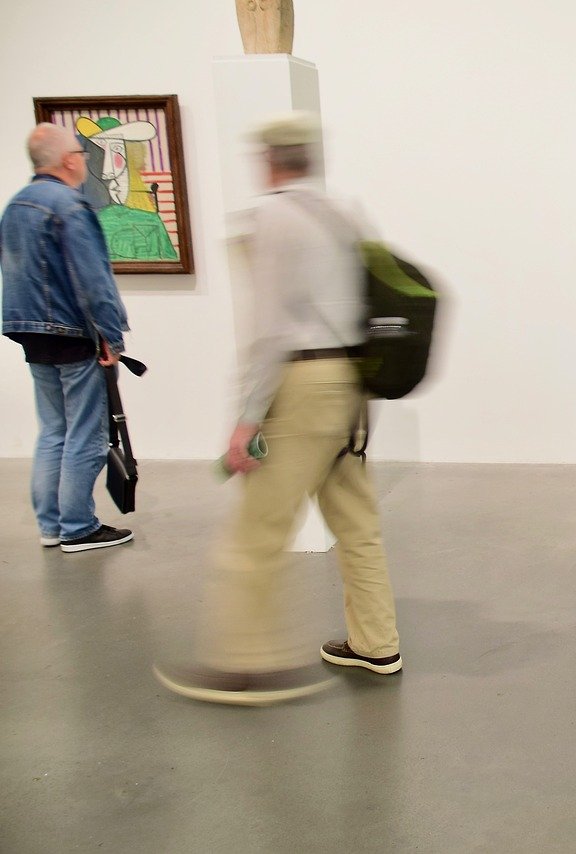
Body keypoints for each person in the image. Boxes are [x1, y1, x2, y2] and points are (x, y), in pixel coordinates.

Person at [155, 112, 400, 705]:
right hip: (350, 386)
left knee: (256, 530)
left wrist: (246, 418)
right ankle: (377, 642)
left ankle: (248, 665)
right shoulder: (340, 214)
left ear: (268, 160)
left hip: (303, 384)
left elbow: (268, 330)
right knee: (357, 522)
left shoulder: (271, 217)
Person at [1, 123, 133, 553]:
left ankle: (52, 524)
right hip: (73, 334)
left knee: (54, 430)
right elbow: (93, 281)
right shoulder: (70, 207)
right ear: (68, 160)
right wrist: (111, 336)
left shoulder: (17, 205)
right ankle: (78, 525)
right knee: (86, 434)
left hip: (30, 333)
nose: (83, 159)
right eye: (80, 151)